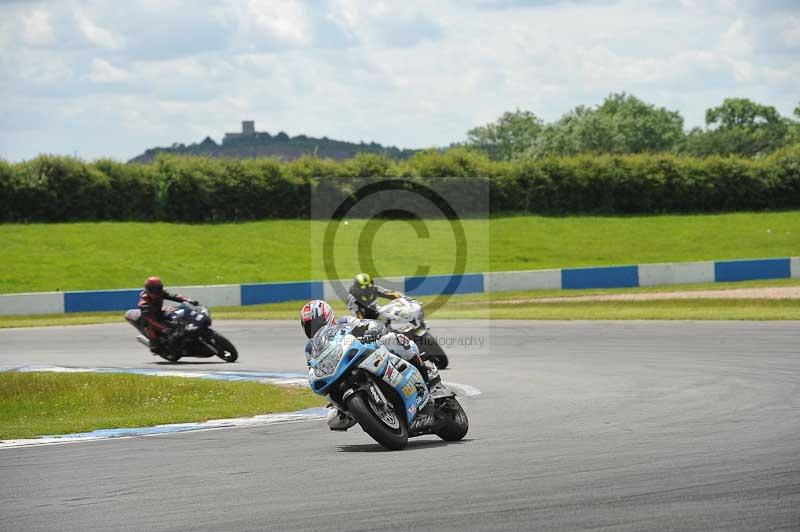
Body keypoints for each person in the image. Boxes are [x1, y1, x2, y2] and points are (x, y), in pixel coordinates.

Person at [300, 299, 439, 431]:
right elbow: (314, 366)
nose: (313, 327)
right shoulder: (310, 348)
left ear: (327, 316)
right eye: (308, 325)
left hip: (365, 351)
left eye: (316, 322)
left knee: (393, 339)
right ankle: (367, 411)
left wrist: (371, 329)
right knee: (332, 419)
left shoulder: (343, 322)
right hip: (340, 369)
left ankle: (426, 373)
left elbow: (364, 323)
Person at [125, 276, 197, 354]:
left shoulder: (160, 293)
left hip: (159, 312)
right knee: (148, 326)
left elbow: (174, 296)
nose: (156, 291)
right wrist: (163, 328)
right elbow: (150, 320)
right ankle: (154, 343)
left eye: (158, 288)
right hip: (150, 319)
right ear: (148, 289)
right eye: (154, 289)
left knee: (175, 311)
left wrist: (188, 300)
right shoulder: (144, 304)